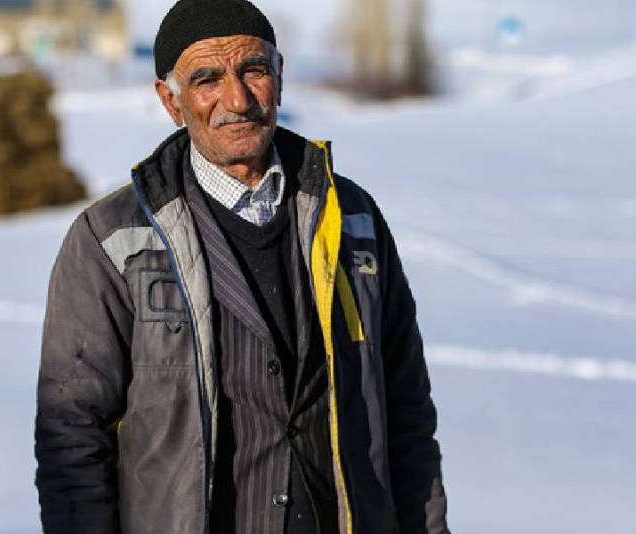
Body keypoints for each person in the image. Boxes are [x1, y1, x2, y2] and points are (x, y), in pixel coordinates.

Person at [34, 1, 448, 533]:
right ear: (171, 101)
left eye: (253, 69)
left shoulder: (353, 221)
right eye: (206, 78)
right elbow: (72, 433)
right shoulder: (111, 241)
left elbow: (406, 413)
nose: (237, 98)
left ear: (279, 75)